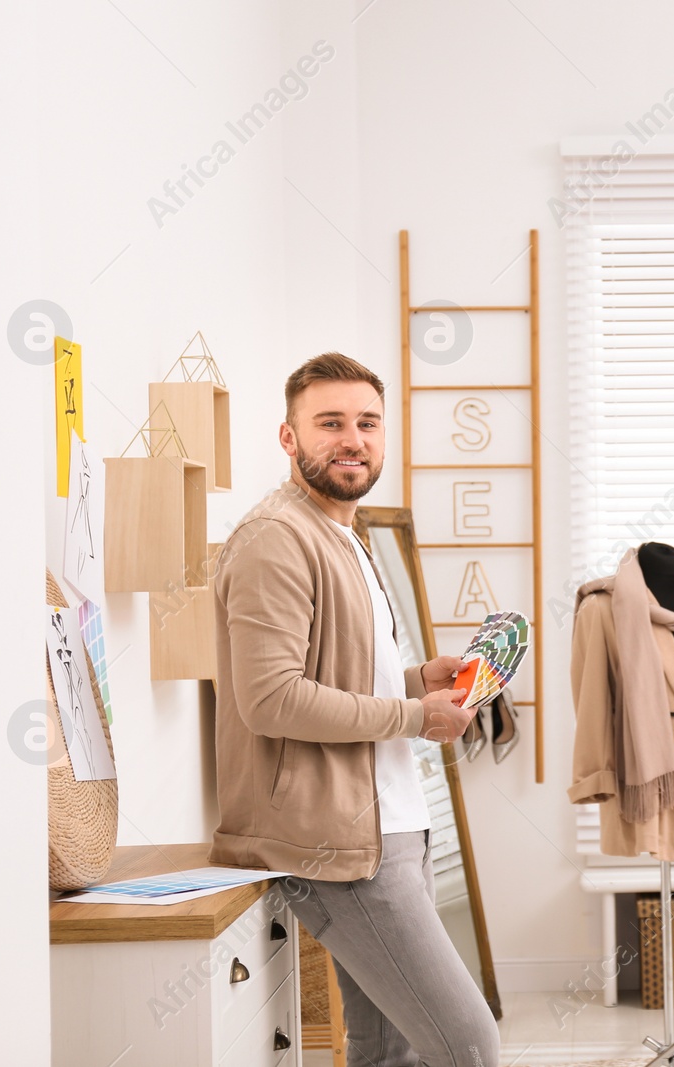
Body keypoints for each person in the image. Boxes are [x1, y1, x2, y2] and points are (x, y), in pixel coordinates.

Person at [209, 352, 498, 1067]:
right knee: (469, 1045)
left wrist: (413, 680)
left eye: (367, 422)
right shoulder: (277, 538)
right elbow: (272, 699)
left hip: (393, 826)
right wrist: (412, 716)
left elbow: (339, 679)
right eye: (330, 422)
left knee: (385, 1049)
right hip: (341, 849)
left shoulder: (346, 534)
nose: (353, 439)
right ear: (288, 437)